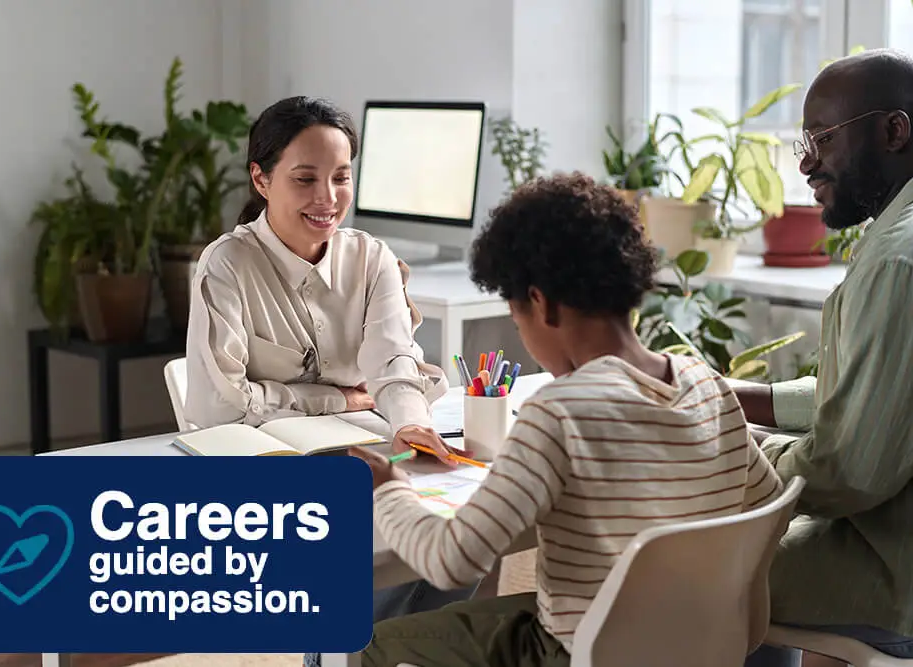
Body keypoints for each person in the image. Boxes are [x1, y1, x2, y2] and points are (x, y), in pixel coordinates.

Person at [350, 172, 784, 667]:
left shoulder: (558, 413)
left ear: (542, 303)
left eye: (516, 318)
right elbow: (766, 505)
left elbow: (453, 559)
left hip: (582, 652)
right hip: (701, 644)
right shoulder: (706, 382)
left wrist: (388, 486)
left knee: (370, 639)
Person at [181, 95, 478, 666]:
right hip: (264, 468)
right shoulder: (226, 266)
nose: (327, 198)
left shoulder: (372, 258)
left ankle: (367, 653)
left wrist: (412, 426)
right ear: (261, 180)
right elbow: (221, 407)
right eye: (305, 178)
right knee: (355, 539)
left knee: (458, 535)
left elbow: (394, 361)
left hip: (363, 446)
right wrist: (336, 398)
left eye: (341, 177)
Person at [735, 48, 913, 666]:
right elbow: (887, 399)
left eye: (822, 138)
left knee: (665, 559)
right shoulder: (897, 233)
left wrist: (728, 450)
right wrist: (738, 397)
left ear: (894, 130)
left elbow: (848, 471)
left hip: (896, 577)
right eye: (802, 142)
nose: (807, 162)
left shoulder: (898, 258)